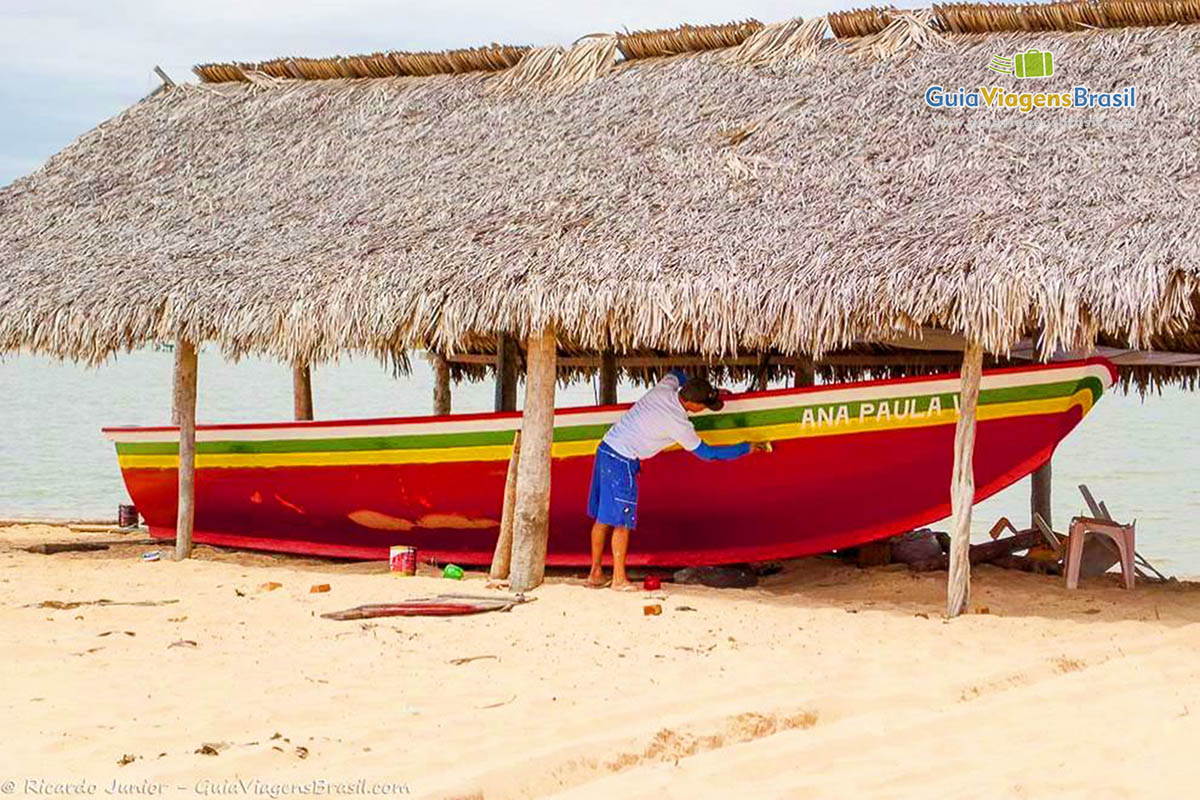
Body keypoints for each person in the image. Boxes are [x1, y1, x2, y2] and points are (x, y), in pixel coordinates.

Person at [586, 369, 768, 590]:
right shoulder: (678, 424)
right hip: (622, 460)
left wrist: (712, 391)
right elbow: (708, 454)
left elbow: (677, 374)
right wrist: (745, 448)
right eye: (705, 406)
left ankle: (595, 573)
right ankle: (618, 579)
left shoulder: (666, 387)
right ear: (692, 404)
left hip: (606, 449)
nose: (704, 410)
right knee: (622, 522)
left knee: (603, 518)